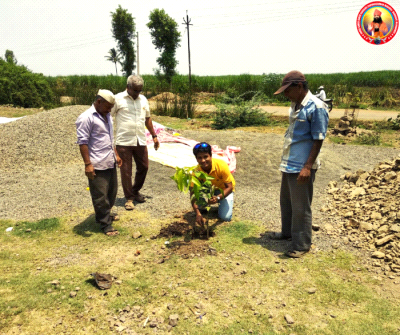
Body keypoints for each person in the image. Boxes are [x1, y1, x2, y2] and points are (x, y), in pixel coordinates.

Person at [272, 71, 329, 258]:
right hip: (289, 162)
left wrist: (307, 167)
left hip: (302, 166)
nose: (285, 95)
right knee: (286, 202)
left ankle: (301, 244)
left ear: (299, 86)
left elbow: (318, 139)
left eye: (287, 91)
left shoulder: (317, 107)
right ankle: (287, 233)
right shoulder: (295, 104)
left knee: (300, 207)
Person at [75, 90, 122, 236]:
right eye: (108, 107)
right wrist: (88, 164)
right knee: (100, 195)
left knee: (111, 192)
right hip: (97, 163)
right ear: (99, 102)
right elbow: (82, 142)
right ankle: (105, 225)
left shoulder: (107, 115)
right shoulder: (86, 118)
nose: (110, 110)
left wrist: (116, 154)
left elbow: (109, 137)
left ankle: (105, 215)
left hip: (109, 160)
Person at [111, 75, 160, 210]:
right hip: (124, 141)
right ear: (128, 87)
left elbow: (147, 118)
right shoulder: (117, 99)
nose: (138, 93)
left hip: (140, 140)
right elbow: (108, 117)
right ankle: (129, 198)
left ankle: (135, 190)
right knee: (126, 171)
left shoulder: (143, 100)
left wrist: (154, 136)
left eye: (140, 90)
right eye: (135, 91)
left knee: (144, 166)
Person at [191, 142, 235, 226]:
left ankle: (223, 203)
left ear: (211, 156)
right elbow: (192, 194)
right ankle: (207, 205)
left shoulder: (221, 165)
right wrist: (197, 213)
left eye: (205, 157)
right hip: (209, 191)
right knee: (200, 207)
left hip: (224, 190)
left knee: (226, 217)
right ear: (196, 159)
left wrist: (218, 198)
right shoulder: (196, 172)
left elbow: (230, 187)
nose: (203, 160)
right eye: (199, 158)